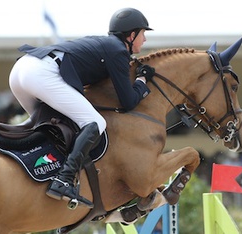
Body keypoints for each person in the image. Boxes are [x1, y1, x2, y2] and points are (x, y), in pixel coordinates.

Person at [8, 8, 155, 208]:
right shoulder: (118, 50)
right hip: (41, 74)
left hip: (21, 71)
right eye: (143, 33)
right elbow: (128, 101)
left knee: (54, 127)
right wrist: (142, 80)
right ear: (131, 35)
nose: (144, 39)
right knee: (96, 122)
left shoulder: (105, 45)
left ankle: (37, 171)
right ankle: (64, 180)